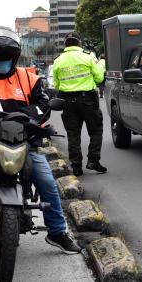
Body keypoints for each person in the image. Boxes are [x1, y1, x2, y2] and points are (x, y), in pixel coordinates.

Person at [0, 26, 81, 253]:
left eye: (7, 57)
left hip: (24, 143)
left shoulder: (29, 79)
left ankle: (58, 231)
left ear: (15, 57)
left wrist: (27, 116)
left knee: (47, 180)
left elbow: (43, 106)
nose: (2, 61)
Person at [53, 32, 107, 176]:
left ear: (65, 44)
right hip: (88, 99)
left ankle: (76, 166)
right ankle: (93, 161)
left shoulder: (58, 60)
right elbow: (100, 77)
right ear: (79, 43)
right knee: (95, 131)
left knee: (73, 134)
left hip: (68, 102)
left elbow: (57, 84)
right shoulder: (88, 56)